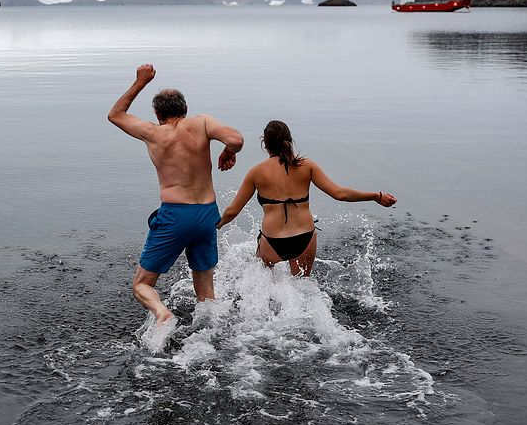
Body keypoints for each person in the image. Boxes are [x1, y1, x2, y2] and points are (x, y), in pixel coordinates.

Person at [108, 64, 244, 324]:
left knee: (142, 285)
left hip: (175, 215)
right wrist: (229, 152)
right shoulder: (201, 123)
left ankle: (162, 313)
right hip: (206, 214)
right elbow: (236, 139)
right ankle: (211, 331)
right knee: (206, 291)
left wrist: (141, 82)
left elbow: (115, 115)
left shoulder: (152, 133)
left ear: (157, 113)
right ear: (185, 110)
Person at [217, 120, 397, 275]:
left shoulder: (256, 173)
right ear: (289, 140)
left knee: (264, 288)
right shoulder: (307, 166)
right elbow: (340, 194)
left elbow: (232, 212)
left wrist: (216, 225)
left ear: (265, 144)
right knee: (303, 290)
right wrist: (376, 196)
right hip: (304, 238)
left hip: (272, 240)